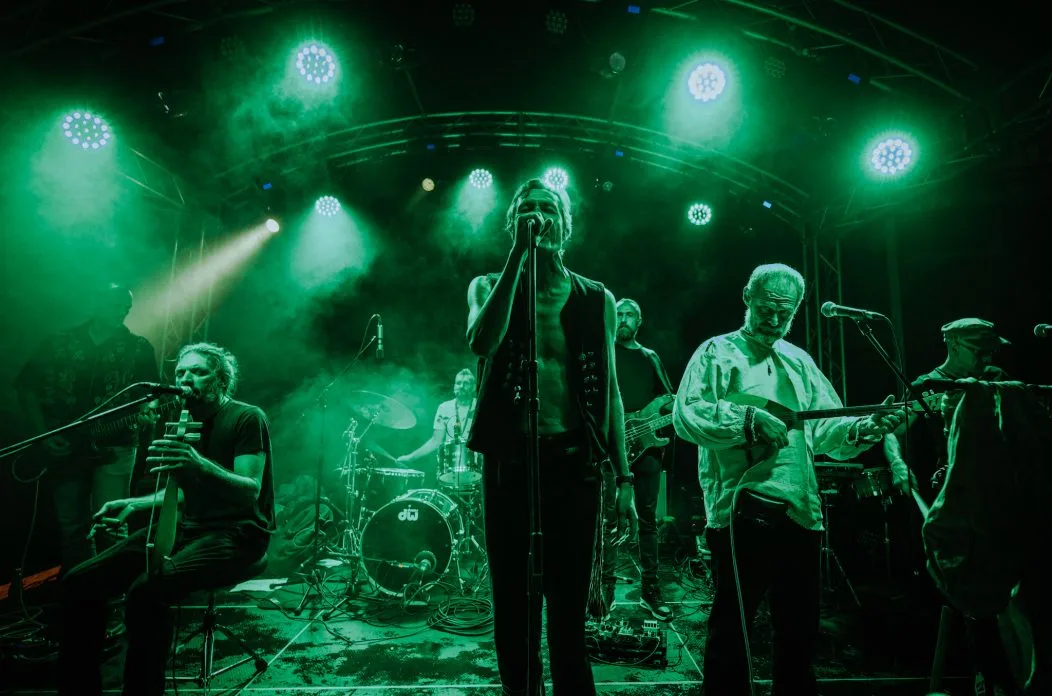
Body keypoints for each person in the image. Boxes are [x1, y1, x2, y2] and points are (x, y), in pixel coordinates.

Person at [672, 263, 903, 696]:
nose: (775, 318)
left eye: (786, 311)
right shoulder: (717, 352)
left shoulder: (800, 361)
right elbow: (688, 415)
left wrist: (865, 427)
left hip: (800, 510)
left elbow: (826, 431)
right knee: (733, 630)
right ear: (747, 297)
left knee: (798, 630)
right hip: (741, 509)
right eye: (767, 308)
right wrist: (749, 418)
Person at [466, 177, 634, 696]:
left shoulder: (597, 297)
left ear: (566, 223)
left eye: (548, 208)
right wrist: (519, 255)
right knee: (513, 603)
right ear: (512, 222)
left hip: (574, 463)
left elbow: (611, 391)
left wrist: (624, 477)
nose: (537, 215)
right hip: (510, 462)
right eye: (526, 208)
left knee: (568, 606)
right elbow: (481, 341)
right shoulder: (487, 285)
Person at [56, 342, 274, 696]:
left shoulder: (247, 417)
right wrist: (135, 503)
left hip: (238, 534)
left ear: (221, 380)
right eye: (180, 373)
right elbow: (185, 492)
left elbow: (249, 490)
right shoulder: (182, 422)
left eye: (198, 372)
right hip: (187, 528)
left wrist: (197, 463)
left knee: (146, 592)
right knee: (78, 582)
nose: (186, 379)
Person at [884, 318, 1020, 696]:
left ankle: (1012, 670)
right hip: (957, 496)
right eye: (980, 350)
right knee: (970, 586)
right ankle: (985, 676)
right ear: (955, 344)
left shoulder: (995, 378)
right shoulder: (929, 386)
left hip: (998, 497)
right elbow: (892, 433)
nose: (987, 358)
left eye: (991, 350)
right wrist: (898, 466)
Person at [13, 282, 158, 574]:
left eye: (127, 308)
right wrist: (43, 435)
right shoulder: (59, 342)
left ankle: (113, 592)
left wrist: (148, 412)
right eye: (116, 305)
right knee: (72, 526)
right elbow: (26, 388)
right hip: (65, 446)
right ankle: (80, 588)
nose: (122, 312)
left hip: (116, 445)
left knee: (112, 522)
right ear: (96, 303)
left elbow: (152, 395)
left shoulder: (139, 347)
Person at [597, 298, 675, 621]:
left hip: (648, 451)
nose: (624, 319)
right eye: (620, 314)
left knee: (648, 521)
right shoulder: (605, 353)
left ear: (639, 321)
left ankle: (650, 590)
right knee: (609, 520)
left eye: (630, 315)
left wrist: (659, 416)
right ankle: (604, 591)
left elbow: (668, 401)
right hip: (612, 450)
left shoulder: (650, 357)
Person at [397, 368, 480, 488]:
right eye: (458, 383)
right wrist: (410, 458)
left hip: (476, 467)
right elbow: (435, 441)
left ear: (473, 387)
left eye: (466, 383)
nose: (461, 386)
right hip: (449, 470)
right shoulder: (444, 408)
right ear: (454, 386)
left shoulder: (480, 406)